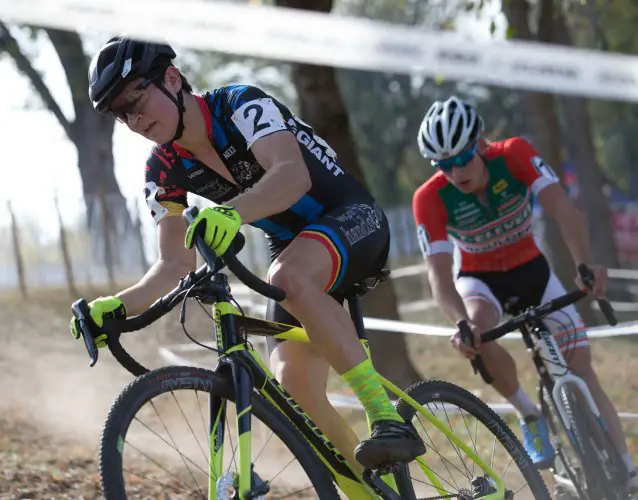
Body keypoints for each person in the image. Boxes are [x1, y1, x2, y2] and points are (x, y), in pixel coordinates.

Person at [70, 35, 426, 472]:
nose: (134, 117)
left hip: (350, 216)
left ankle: (385, 416)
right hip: (295, 250)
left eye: (137, 98)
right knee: (294, 386)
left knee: (287, 278)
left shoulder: (240, 104)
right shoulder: (161, 170)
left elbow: (291, 176)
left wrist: (231, 213)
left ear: (172, 77)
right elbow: (173, 265)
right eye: (120, 112)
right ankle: (373, 487)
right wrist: (116, 307)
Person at [412, 95, 636, 484]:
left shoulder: (514, 154)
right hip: (481, 279)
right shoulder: (429, 198)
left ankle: (628, 471)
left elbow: (564, 209)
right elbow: (439, 275)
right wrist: (461, 322)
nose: (456, 171)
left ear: (479, 145)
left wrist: (585, 264)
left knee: (583, 371)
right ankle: (528, 412)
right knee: (478, 330)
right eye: (444, 165)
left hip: (532, 269)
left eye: (462, 158)